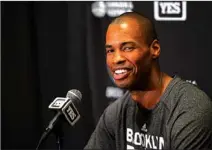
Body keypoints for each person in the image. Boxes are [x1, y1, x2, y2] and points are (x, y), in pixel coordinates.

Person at [84, 12, 212, 150]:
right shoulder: (116, 113)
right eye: (110, 51)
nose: (116, 59)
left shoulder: (190, 108)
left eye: (127, 48)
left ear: (155, 49)